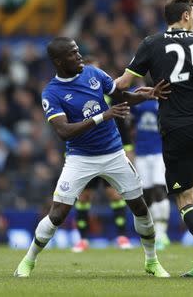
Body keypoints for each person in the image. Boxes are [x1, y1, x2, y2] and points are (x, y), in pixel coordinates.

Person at [14, 37, 170, 278]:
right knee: (57, 214)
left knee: (140, 208)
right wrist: (102, 116)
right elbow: (63, 131)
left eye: (78, 51)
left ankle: (152, 261)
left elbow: (121, 97)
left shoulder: (94, 73)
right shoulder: (51, 93)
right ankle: (28, 260)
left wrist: (147, 95)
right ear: (58, 61)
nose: (79, 56)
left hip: (114, 154)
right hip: (80, 158)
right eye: (73, 54)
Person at [115, 0, 193, 279]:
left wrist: (145, 92)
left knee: (184, 199)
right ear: (184, 17)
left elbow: (121, 85)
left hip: (176, 127)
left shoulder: (151, 44)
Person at [71, 56, 134, 253]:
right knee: (83, 197)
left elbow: (122, 122)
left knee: (114, 194)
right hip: (85, 153)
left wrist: (129, 149)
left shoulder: (109, 93)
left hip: (111, 151)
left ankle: (122, 237)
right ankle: (82, 239)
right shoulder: (75, 95)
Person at [130, 97, 170, 250]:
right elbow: (129, 119)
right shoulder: (137, 96)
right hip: (141, 152)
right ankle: (157, 232)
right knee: (146, 193)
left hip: (159, 152)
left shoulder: (164, 98)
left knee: (159, 189)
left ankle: (162, 233)